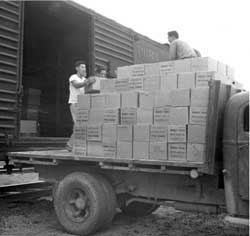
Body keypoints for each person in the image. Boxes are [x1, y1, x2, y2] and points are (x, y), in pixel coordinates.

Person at [66, 60, 92, 151]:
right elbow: (76, 85)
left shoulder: (85, 79)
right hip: (75, 104)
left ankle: (73, 145)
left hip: (83, 105)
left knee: (82, 125)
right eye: (82, 67)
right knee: (78, 125)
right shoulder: (73, 77)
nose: (84, 69)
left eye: (85, 67)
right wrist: (86, 82)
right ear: (77, 68)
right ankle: (70, 145)